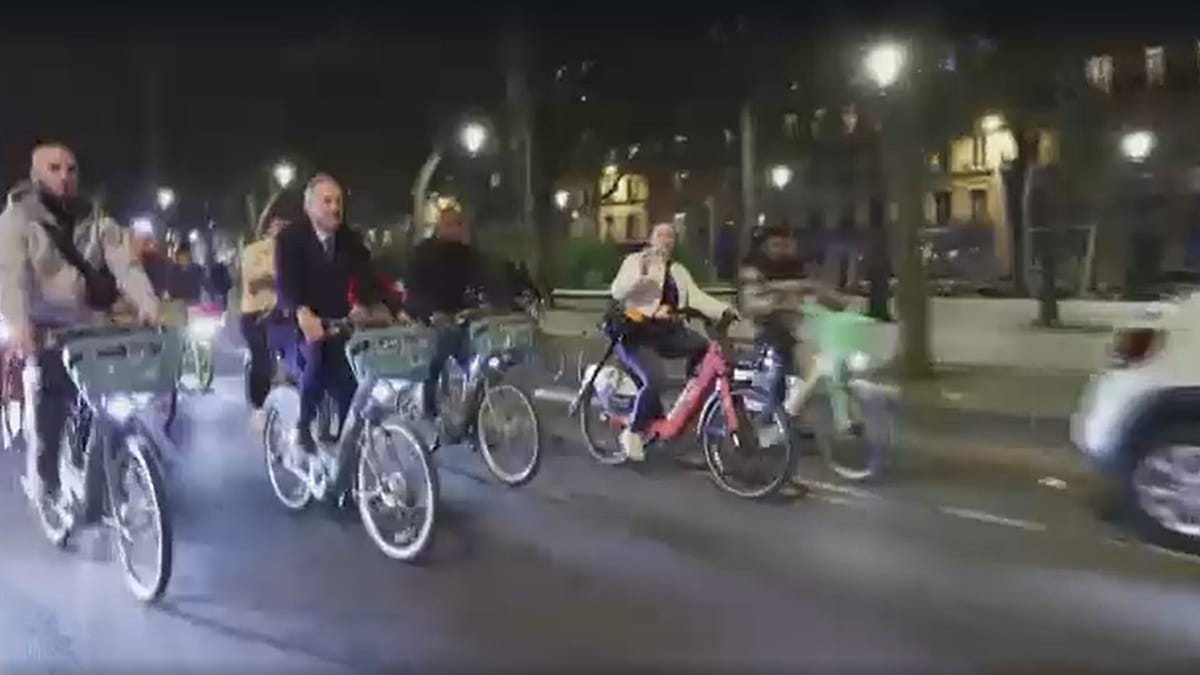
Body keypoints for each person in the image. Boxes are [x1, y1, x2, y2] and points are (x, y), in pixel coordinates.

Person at [0, 143, 159, 506]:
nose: (65, 176)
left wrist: (147, 304)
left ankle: (114, 466)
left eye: (71, 169)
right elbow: (11, 277)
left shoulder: (96, 218)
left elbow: (126, 265)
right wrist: (21, 326)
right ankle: (47, 484)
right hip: (47, 330)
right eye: (54, 168)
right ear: (36, 174)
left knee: (116, 402)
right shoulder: (16, 221)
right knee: (50, 409)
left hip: (92, 328)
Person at [274, 174, 394, 461]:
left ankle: (348, 453)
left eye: (338, 201)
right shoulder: (290, 239)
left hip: (338, 323)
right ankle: (303, 427)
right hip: (295, 323)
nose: (334, 208)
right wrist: (302, 312)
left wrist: (389, 307)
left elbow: (370, 277)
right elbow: (286, 285)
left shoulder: (349, 239)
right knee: (315, 356)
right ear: (309, 207)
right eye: (327, 201)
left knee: (351, 381)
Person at [609, 222, 734, 461]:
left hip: (664, 332)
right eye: (661, 235)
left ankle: (689, 400)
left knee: (705, 349)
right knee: (656, 379)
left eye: (671, 236)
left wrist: (725, 310)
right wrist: (642, 277)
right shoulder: (637, 261)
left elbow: (697, 297)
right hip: (634, 333)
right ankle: (633, 432)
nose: (666, 240)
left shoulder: (678, 270)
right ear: (651, 238)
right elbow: (617, 291)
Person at [738, 225, 847, 409]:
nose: (781, 250)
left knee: (824, 367)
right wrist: (782, 301)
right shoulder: (754, 268)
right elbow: (751, 305)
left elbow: (815, 291)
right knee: (781, 370)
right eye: (775, 245)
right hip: (764, 331)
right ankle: (778, 414)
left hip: (795, 330)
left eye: (785, 245)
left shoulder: (795, 267)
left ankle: (794, 415)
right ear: (764, 246)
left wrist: (837, 303)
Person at [403, 208, 490, 421]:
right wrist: (431, 313)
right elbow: (413, 290)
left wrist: (488, 301)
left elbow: (481, 280)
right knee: (435, 354)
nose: (459, 230)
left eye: (461, 224)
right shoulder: (423, 252)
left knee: (476, 359)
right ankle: (427, 403)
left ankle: (474, 408)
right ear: (441, 226)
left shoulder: (466, 253)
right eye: (454, 224)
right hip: (428, 315)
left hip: (457, 314)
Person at [240, 214, 289, 419]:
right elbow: (253, 281)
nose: (281, 229)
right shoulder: (254, 251)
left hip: (282, 312)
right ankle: (259, 405)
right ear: (268, 229)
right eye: (277, 225)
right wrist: (276, 278)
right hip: (255, 313)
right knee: (262, 358)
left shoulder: (292, 252)